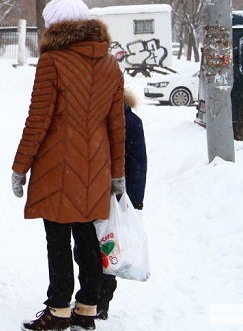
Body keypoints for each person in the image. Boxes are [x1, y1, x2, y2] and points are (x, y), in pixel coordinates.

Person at [10, 0, 125, 331]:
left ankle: (58, 309)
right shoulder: (110, 64)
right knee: (89, 238)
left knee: (58, 240)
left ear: (56, 24)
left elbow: (38, 120)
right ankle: (87, 308)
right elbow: (117, 126)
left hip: (57, 167)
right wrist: (116, 173)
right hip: (96, 168)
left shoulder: (53, 62)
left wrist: (21, 166)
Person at [96, 88, 148, 320]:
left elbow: (138, 162)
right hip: (95, 194)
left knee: (108, 248)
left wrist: (134, 201)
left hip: (114, 196)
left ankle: (102, 299)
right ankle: (94, 296)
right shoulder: (96, 117)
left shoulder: (131, 122)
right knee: (93, 247)